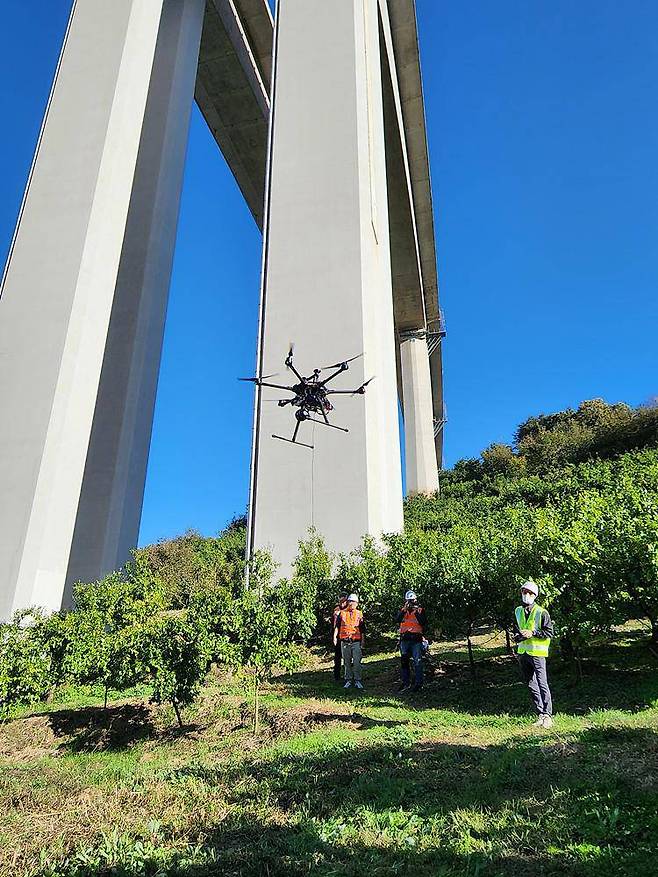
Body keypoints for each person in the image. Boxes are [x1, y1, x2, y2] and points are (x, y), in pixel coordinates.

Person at [514, 580, 555, 728]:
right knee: (531, 684)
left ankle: (548, 715)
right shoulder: (518, 611)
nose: (526, 595)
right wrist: (518, 637)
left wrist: (532, 633)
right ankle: (540, 714)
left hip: (538, 652)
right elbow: (517, 630)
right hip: (523, 652)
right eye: (524, 592)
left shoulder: (541, 612)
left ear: (535, 595)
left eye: (529, 593)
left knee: (542, 683)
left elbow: (549, 633)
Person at [397, 590, 427, 692]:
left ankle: (419, 683)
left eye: (412, 601)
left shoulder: (419, 610)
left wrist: (415, 611)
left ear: (416, 600)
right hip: (405, 640)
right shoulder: (403, 610)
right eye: (409, 601)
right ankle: (406, 682)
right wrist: (404, 610)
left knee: (417, 661)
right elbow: (397, 619)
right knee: (404, 662)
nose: (411, 603)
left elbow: (423, 622)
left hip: (416, 640)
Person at [333, 593, 365, 689]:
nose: (352, 604)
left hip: (356, 641)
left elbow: (363, 629)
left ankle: (357, 680)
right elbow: (337, 627)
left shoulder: (359, 614)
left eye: (354, 602)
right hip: (345, 641)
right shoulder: (342, 613)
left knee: (357, 662)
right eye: (351, 602)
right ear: (348, 602)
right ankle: (348, 680)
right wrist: (334, 637)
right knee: (346, 662)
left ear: (357, 603)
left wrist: (363, 642)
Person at [331, 593, 348, 682]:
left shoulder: (349, 610)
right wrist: (334, 636)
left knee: (347, 657)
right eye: (340, 601)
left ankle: (348, 675)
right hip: (338, 636)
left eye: (343, 601)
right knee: (337, 657)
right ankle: (337, 676)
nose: (342, 603)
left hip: (347, 635)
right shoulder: (336, 610)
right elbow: (334, 625)